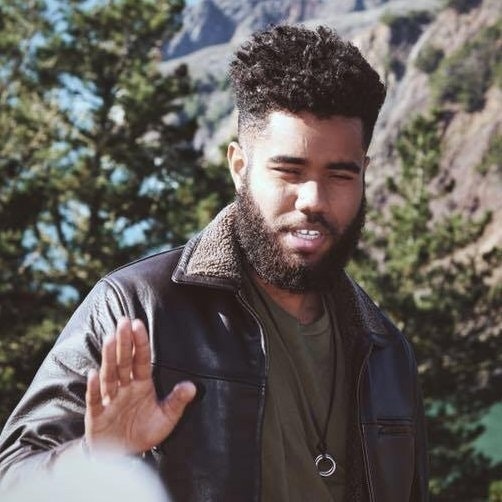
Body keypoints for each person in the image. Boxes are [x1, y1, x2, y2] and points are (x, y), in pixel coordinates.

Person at [0, 25, 428, 501]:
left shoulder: (386, 351)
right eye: (288, 171)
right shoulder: (137, 308)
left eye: (340, 175)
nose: (313, 199)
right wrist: (93, 458)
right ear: (239, 167)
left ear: (364, 174)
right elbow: (12, 477)